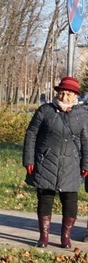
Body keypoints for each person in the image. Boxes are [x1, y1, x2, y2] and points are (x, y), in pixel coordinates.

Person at [23, 76, 88, 249]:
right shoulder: (45, 111)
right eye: (62, 93)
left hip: (71, 165)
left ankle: (65, 237)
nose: (64, 97)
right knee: (45, 199)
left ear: (75, 96)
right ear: (57, 93)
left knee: (70, 201)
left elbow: (86, 141)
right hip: (46, 162)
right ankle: (43, 237)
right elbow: (31, 135)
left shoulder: (82, 115)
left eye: (69, 94)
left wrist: (86, 165)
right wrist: (28, 159)